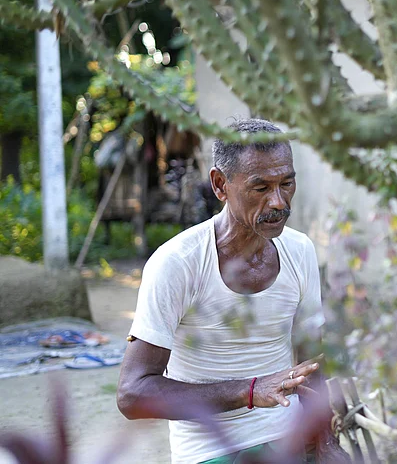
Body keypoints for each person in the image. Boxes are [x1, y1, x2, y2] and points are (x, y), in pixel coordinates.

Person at [117, 119, 336, 464]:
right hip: (211, 450)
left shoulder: (300, 251)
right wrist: (250, 391)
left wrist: (325, 443)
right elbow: (132, 394)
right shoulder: (178, 263)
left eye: (287, 183)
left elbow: (311, 365)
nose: (279, 202)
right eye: (260, 188)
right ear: (220, 185)